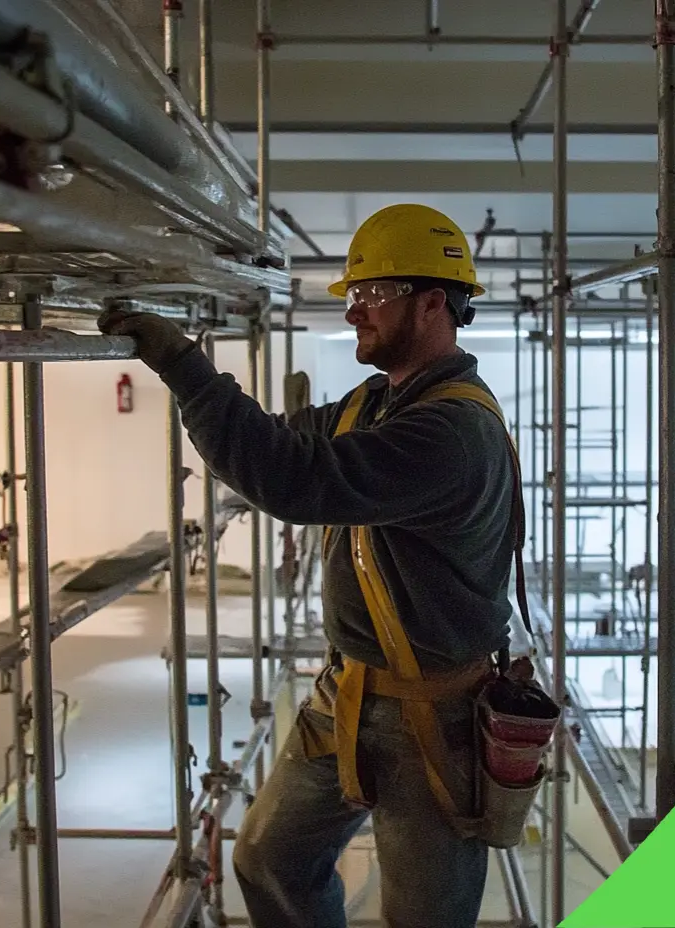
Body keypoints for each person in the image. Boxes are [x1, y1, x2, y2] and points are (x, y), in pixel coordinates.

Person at [98, 203, 519, 928]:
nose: (355, 312)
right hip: (347, 693)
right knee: (269, 861)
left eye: (371, 296)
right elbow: (275, 451)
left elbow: (290, 481)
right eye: (352, 298)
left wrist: (181, 364)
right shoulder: (376, 403)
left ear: (432, 303)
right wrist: (233, 425)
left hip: (431, 717)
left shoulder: (451, 433)